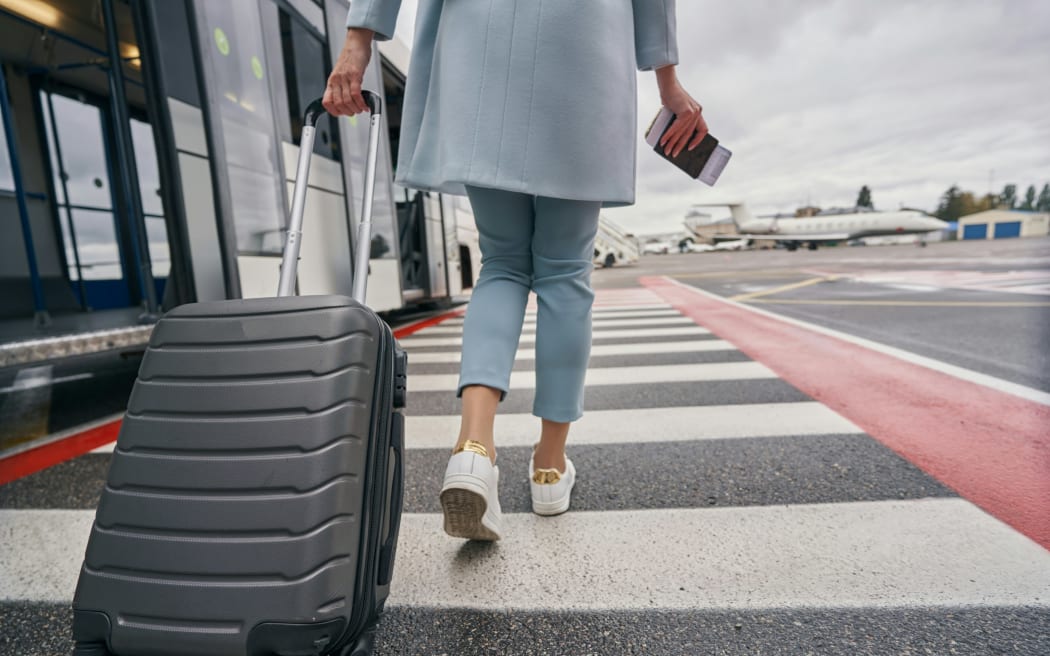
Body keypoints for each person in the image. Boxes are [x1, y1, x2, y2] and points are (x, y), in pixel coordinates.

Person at [324, 0, 707, 541]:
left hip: (480, 45)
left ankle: (473, 451)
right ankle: (549, 468)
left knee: (501, 264)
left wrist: (359, 40)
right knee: (564, 274)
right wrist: (667, 78)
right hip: (582, 43)